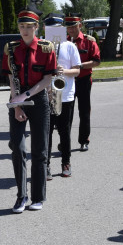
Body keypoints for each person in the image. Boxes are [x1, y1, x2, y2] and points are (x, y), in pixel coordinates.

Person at [3, 10, 57, 212]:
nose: (24, 30)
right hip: (17, 99)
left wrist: (26, 96)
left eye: (29, 26)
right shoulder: (10, 48)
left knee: (40, 150)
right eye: (21, 26)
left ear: (36, 27)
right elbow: (11, 78)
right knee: (17, 148)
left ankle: (38, 197)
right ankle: (21, 196)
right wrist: (17, 104)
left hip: (38, 97)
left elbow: (47, 78)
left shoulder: (46, 48)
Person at [43, 16, 81, 179]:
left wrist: (62, 71)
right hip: (47, 94)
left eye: (57, 28)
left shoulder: (70, 46)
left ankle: (66, 162)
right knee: (47, 132)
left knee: (64, 132)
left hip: (65, 95)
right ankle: (46, 165)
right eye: (50, 29)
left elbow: (77, 70)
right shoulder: (42, 46)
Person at [64, 14, 100, 151]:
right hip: (68, 80)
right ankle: (65, 141)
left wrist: (79, 66)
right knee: (66, 113)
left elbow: (96, 61)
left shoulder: (89, 41)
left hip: (84, 80)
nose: (71, 30)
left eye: (74, 27)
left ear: (80, 25)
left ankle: (84, 140)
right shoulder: (63, 42)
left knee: (84, 112)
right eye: (69, 27)